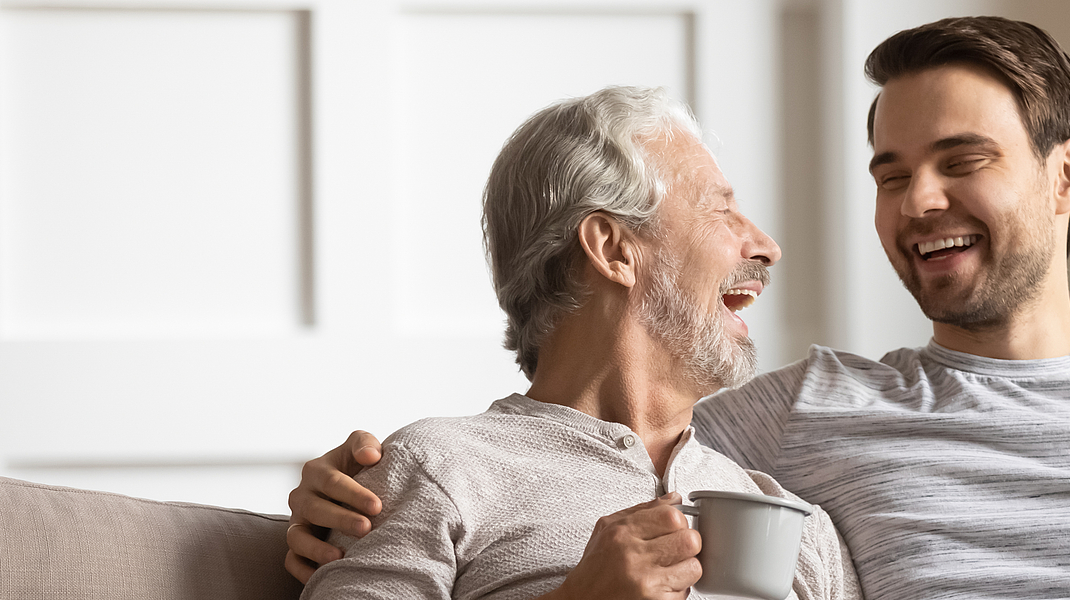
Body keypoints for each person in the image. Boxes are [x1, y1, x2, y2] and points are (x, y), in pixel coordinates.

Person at [289, 17, 1070, 600]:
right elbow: (591, 425)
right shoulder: (804, 415)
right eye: (891, 172)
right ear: (613, 244)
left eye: (962, 161)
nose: (918, 201)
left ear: (1067, 174)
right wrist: (349, 493)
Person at [295, 86, 859, 600]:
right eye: (721, 209)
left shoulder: (794, 523)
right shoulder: (437, 470)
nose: (766, 246)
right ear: (613, 249)